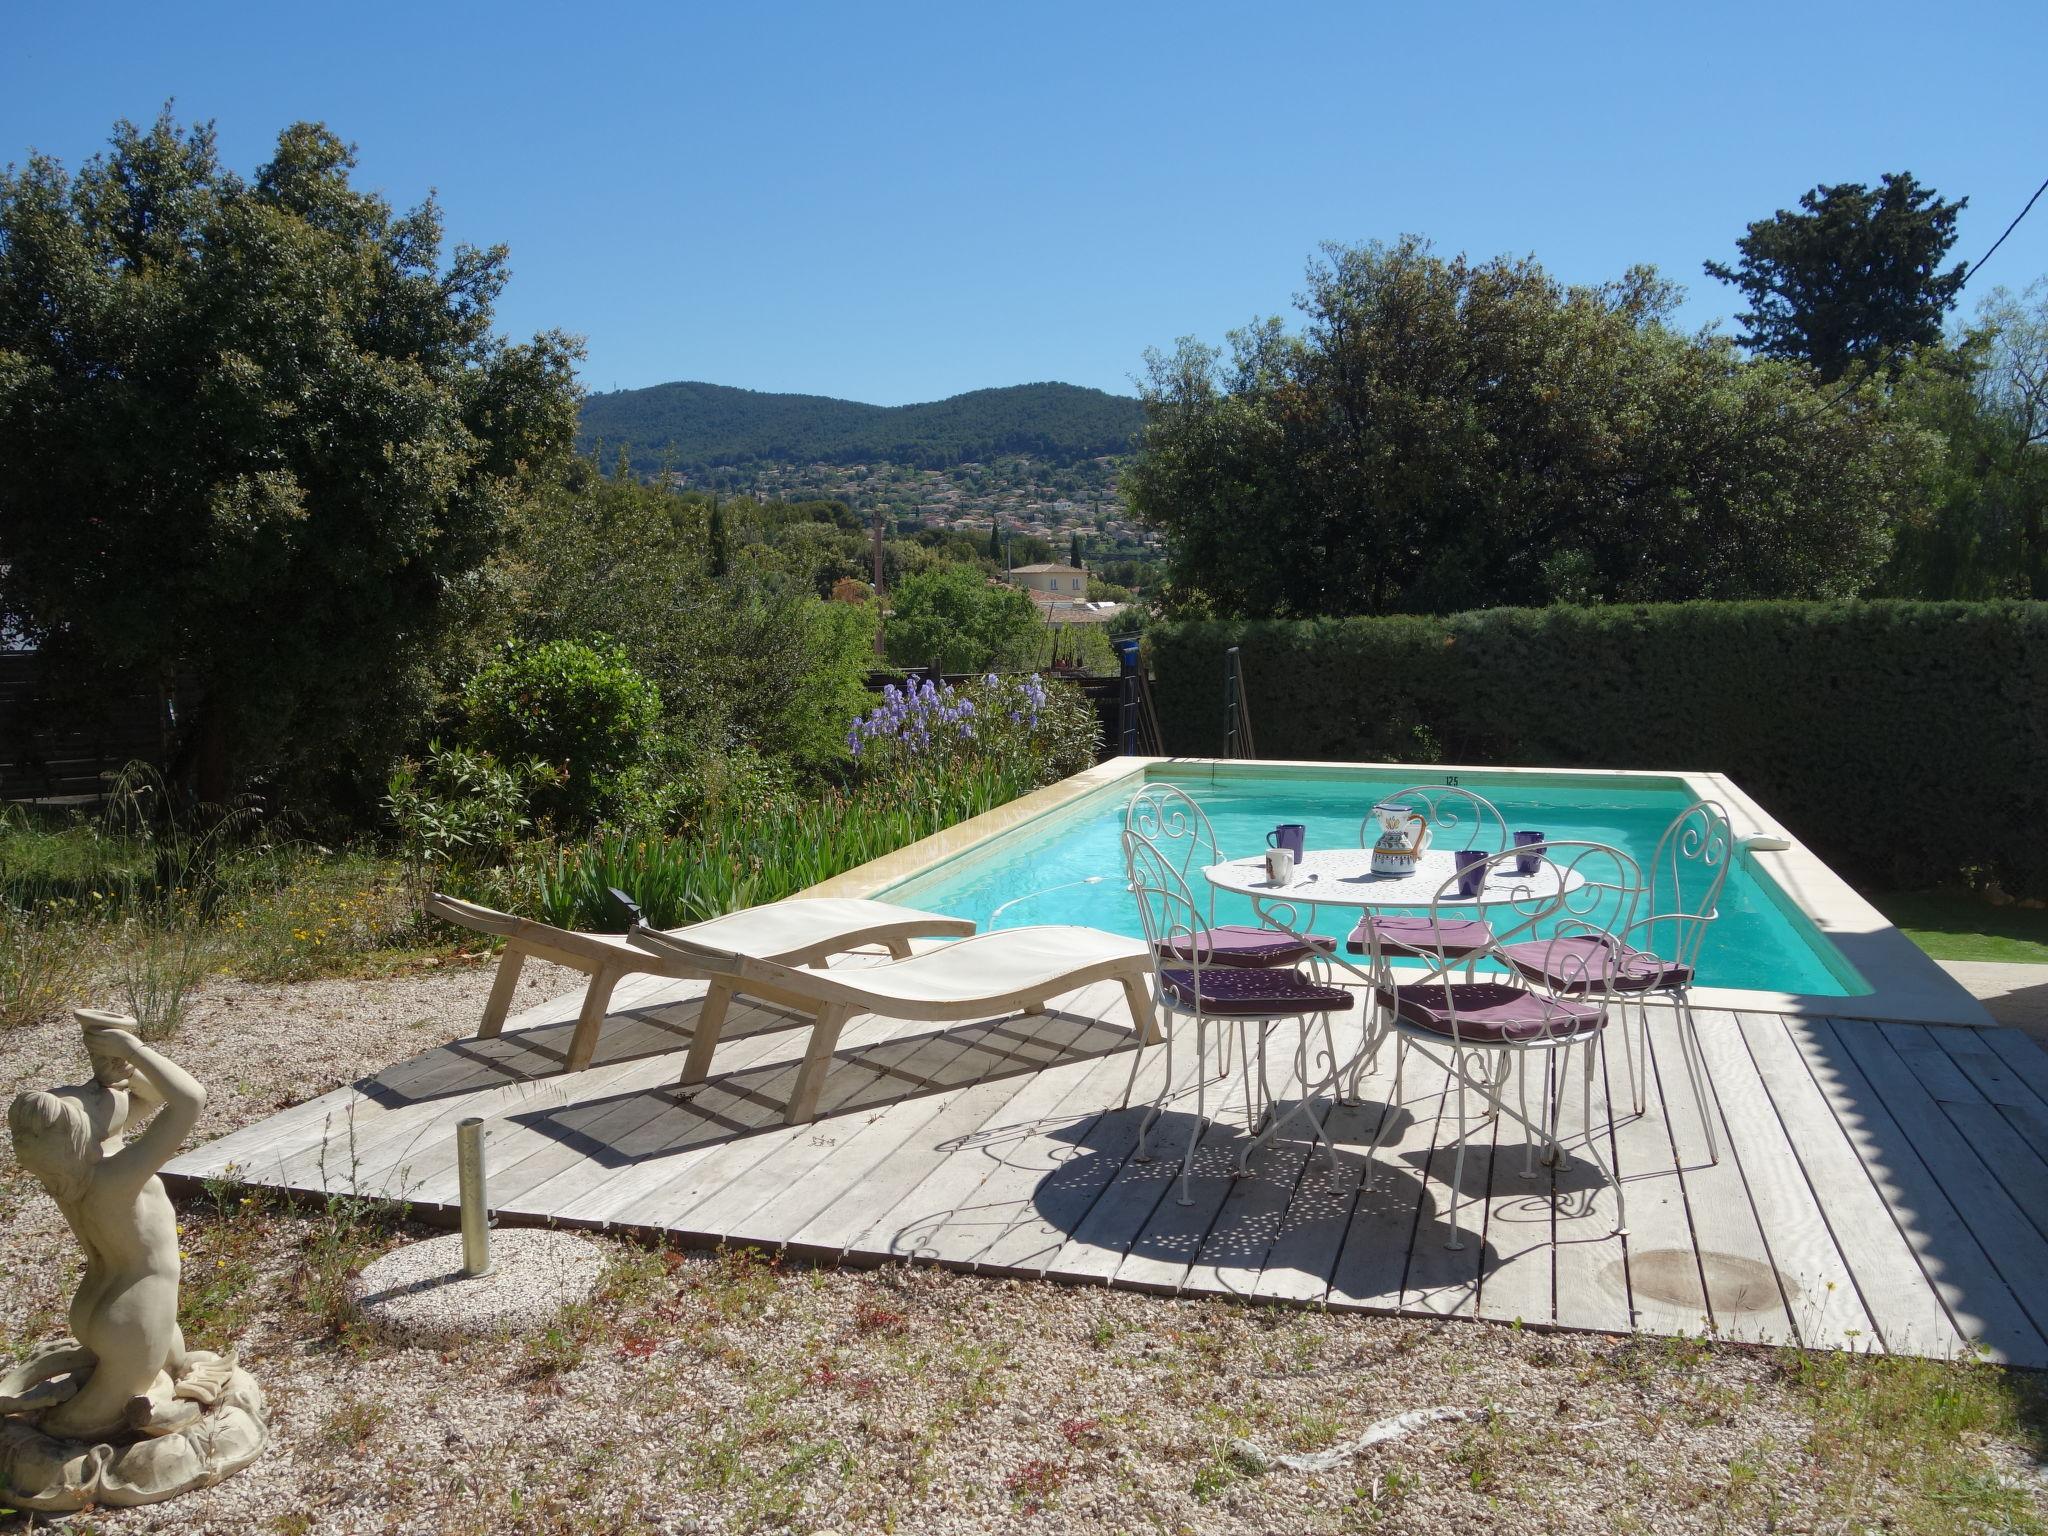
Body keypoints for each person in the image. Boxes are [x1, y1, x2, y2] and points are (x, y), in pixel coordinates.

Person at [5, 1011, 207, 1441]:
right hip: (134, 1310)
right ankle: (122, 1411)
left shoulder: (76, 1170)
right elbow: (189, 1100)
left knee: (174, 1362)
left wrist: (117, 1073)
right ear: (86, 1132)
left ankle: (136, 1388)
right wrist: (132, 1049)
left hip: (98, 1300)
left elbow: (147, 1101)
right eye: (88, 1097)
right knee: (77, 1426)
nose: (99, 1091)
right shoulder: (117, 1177)